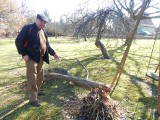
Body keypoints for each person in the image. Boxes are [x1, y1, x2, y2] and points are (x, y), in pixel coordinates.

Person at [15, 14, 60, 107]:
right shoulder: (28, 28)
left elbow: (47, 45)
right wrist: (24, 54)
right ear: (36, 20)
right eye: (41, 21)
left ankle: (37, 91)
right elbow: (18, 41)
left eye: (44, 22)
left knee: (40, 77)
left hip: (41, 57)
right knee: (32, 79)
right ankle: (33, 99)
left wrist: (54, 54)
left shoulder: (43, 31)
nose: (42, 24)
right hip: (30, 58)